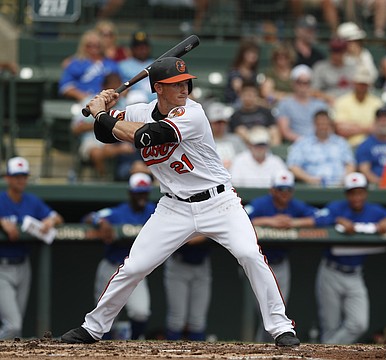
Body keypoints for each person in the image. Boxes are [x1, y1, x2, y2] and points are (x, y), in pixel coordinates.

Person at [60, 56, 300, 347]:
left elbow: (147, 137)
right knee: (134, 266)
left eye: (186, 83)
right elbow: (104, 134)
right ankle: (93, 327)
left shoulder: (193, 114)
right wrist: (104, 109)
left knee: (250, 255)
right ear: (158, 88)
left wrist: (101, 115)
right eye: (176, 84)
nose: (184, 88)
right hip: (174, 206)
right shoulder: (139, 110)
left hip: (219, 201)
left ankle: (281, 327)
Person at [314, 172, 386, 344]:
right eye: (353, 193)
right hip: (331, 271)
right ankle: (328, 353)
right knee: (330, 325)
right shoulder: (337, 207)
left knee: (359, 324)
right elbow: (317, 218)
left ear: (365, 193)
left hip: (355, 275)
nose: (357, 197)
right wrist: (337, 220)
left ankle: (327, 351)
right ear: (347, 194)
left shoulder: (374, 210)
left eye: (360, 192)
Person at [245, 169, 317, 342]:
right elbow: (242, 217)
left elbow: (319, 217)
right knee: (263, 312)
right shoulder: (262, 204)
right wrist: (269, 221)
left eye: (287, 190)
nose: (284, 194)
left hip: (281, 264)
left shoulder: (295, 205)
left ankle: (265, 348)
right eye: (280, 190)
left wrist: (293, 222)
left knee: (277, 312)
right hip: (258, 266)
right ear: (272, 190)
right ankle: (256, 347)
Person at [83, 172, 156, 340]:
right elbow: (89, 216)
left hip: (136, 268)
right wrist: (100, 222)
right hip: (112, 265)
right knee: (105, 316)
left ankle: (132, 345)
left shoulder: (154, 210)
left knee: (140, 312)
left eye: (144, 192)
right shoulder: (117, 212)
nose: (142, 197)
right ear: (130, 193)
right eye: (138, 192)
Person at [0, 157, 64, 339]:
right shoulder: (1, 199)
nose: (20, 180)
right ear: (8, 178)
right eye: (16, 176)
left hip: (23, 265)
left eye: (23, 176)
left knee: (15, 326)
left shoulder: (32, 201)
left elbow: (58, 217)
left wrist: (50, 220)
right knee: (13, 325)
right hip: (2, 267)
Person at [287, 110, 355, 187]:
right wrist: (309, 179)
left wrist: (344, 179)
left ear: (330, 124)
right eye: (320, 124)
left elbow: (350, 164)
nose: (323, 127)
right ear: (314, 124)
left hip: (340, 186)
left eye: (325, 124)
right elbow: (293, 166)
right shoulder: (302, 143)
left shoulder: (341, 142)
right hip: (313, 187)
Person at [164, 235, 212, 341]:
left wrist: (207, 235)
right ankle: (170, 355)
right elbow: (185, 239)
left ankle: (198, 355)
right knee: (177, 319)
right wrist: (206, 235)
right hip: (178, 263)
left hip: (202, 264)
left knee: (197, 321)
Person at [59, 29, 119, 102]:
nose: (94, 48)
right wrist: (82, 96)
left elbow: (119, 84)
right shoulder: (75, 63)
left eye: (97, 45)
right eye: (90, 45)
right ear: (83, 46)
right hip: (84, 100)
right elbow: (66, 87)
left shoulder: (110, 64)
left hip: (108, 99)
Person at [276, 64, 328, 143]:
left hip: (320, 142)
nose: (303, 86)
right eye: (299, 82)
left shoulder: (320, 105)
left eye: (306, 83)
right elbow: (285, 131)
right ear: (293, 83)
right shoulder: (285, 104)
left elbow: (328, 128)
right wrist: (304, 141)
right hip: (296, 144)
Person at [333, 66, 383, 147]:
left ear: (369, 85)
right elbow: (341, 130)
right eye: (360, 83)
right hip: (348, 145)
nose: (362, 87)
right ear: (354, 83)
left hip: (372, 146)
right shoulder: (342, 101)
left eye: (365, 84)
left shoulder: (377, 103)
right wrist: (367, 128)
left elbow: (379, 128)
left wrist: (352, 126)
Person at [355, 106, 386, 186]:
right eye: (381, 120)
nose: (384, 123)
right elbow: (364, 170)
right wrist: (381, 183)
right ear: (375, 122)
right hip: (375, 186)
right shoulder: (366, 144)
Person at [311, 38, 355, 102]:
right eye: (334, 51)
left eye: (340, 52)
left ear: (345, 52)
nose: (336, 55)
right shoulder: (320, 67)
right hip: (327, 104)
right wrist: (326, 97)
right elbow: (312, 91)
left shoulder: (352, 67)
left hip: (350, 103)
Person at [206, 101, 247, 170]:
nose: (220, 126)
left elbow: (245, 160)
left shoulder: (235, 140)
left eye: (222, 122)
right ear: (209, 123)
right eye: (216, 123)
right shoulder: (205, 142)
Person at [118, 30, 156, 104]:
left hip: (154, 101)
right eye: (138, 47)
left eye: (144, 47)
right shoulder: (123, 65)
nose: (142, 50)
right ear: (132, 48)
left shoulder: (156, 64)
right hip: (133, 101)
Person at [336, 22, 378, 86]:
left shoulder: (365, 53)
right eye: (352, 41)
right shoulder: (339, 57)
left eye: (357, 41)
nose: (356, 44)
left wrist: (358, 57)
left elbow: (373, 75)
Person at [224, 39, 261, 108]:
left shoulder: (253, 72)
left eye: (255, 53)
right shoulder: (234, 71)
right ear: (242, 54)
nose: (253, 56)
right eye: (250, 53)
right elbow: (238, 88)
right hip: (234, 104)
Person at [260, 42, 296, 107]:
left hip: (294, 106)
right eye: (278, 57)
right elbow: (267, 93)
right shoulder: (270, 73)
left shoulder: (295, 73)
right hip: (275, 106)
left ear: (290, 58)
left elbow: (303, 93)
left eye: (285, 57)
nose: (281, 60)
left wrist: (278, 94)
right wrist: (289, 97)